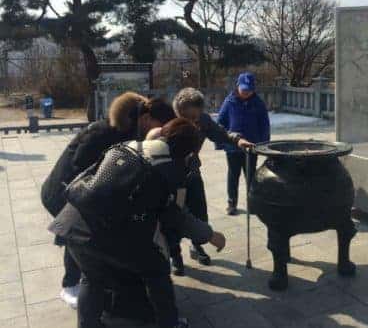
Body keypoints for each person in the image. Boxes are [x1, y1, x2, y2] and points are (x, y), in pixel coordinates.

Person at [49, 118, 227, 328]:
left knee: (91, 278)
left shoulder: (129, 145)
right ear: (189, 151)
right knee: (157, 273)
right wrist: (210, 235)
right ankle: (169, 323)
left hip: (74, 223)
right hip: (107, 233)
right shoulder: (171, 169)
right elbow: (177, 217)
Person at [41, 93, 176, 309]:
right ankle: (70, 285)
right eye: (160, 126)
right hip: (63, 190)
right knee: (76, 230)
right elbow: (78, 166)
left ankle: (97, 280)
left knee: (85, 232)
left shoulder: (134, 132)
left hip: (85, 191)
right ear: (148, 119)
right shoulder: (104, 131)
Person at [167, 87, 254, 275]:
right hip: (172, 176)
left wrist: (238, 140)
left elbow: (220, 133)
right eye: (189, 119)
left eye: (196, 118)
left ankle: (197, 246)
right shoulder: (168, 122)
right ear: (178, 113)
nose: (194, 123)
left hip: (192, 171)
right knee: (173, 213)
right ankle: (175, 255)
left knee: (199, 210)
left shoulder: (204, 121)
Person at [217, 72, 270, 215]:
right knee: (233, 174)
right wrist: (222, 142)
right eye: (244, 89)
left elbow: (264, 125)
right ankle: (231, 202)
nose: (246, 92)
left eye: (249, 90)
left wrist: (264, 144)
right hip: (233, 147)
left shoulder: (258, 103)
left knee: (251, 175)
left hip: (252, 146)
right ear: (237, 87)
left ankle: (253, 202)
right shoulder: (229, 102)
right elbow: (220, 123)